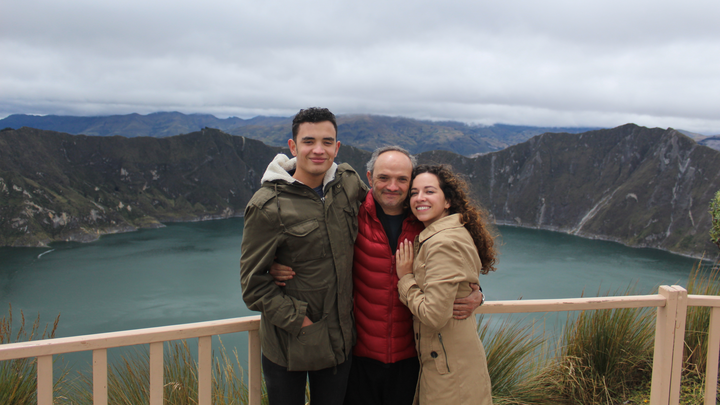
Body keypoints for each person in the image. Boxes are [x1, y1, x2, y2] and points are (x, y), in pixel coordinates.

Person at [270, 147, 485, 405]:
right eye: (384, 178)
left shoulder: (425, 222)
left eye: (402, 180)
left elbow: (454, 267)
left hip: (412, 360)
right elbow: (311, 243)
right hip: (359, 359)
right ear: (370, 178)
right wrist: (274, 263)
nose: (392, 186)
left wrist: (477, 294)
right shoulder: (350, 213)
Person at [240, 107, 368, 405]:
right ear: (293, 146)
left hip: (339, 341)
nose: (318, 150)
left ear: (337, 147)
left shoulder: (348, 183)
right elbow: (253, 286)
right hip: (288, 345)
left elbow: (385, 220)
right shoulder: (267, 205)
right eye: (309, 141)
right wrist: (303, 323)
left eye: (327, 142)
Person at [395, 164, 496, 405]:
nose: (420, 198)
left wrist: (406, 278)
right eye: (414, 192)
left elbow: (434, 315)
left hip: (450, 369)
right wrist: (479, 295)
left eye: (429, 191)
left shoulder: (443, 243)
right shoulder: (447, 233)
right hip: (452, 362)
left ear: (448, 201)